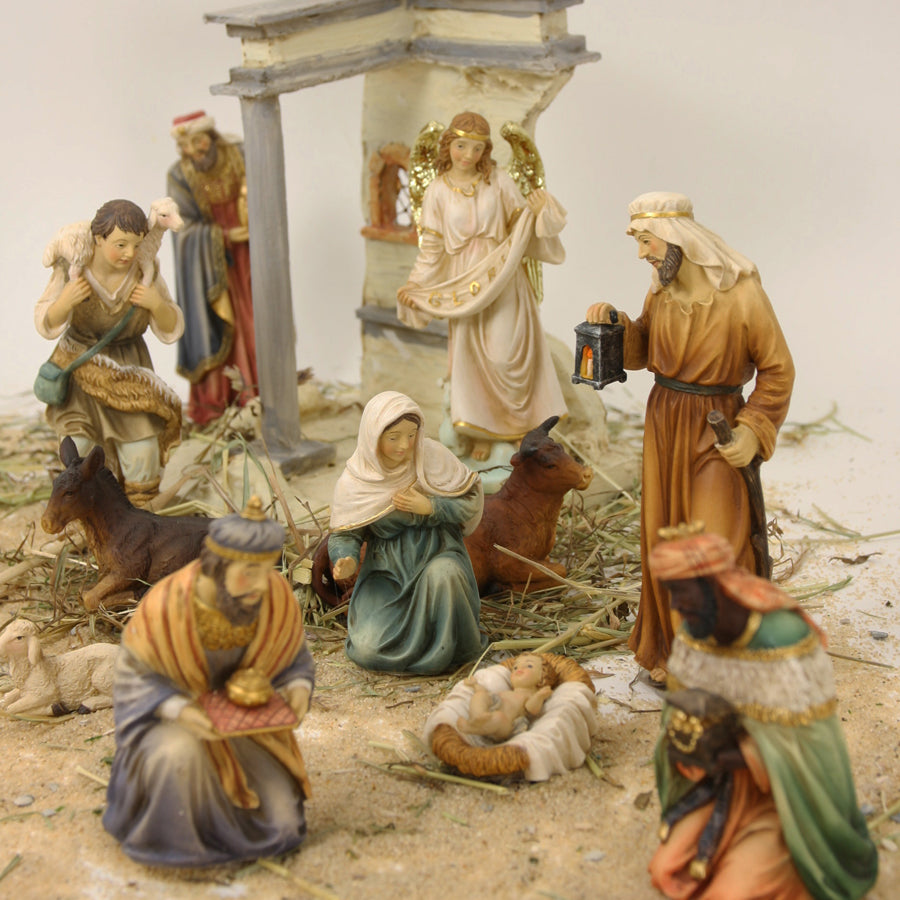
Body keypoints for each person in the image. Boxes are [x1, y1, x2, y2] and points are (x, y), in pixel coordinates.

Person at [585, 192, 794, 683]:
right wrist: (616, 325)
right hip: (665, 423)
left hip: (716, 425)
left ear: (677, 236)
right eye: (638, 242)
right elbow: (643, 350)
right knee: (667, 537)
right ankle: (675, 651)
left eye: (646, 240)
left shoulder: (742, 294)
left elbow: (778, 370)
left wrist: (753, 428)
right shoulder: (661, 292)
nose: (642, 253)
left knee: (714, 538)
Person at [648, 530, 878, 900]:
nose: (676, 606)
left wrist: (740, 755)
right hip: (721, 786)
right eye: (671, 592)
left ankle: (797, 867)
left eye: (682, 593)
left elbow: (812, 747)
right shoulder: (696, 633)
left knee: (726, 895)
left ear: (715, 586)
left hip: (787, 804)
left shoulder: (782, 638)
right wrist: (688, 746)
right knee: (666, 870)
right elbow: (679, 716)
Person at [103, 498, 314, 867]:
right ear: (218, 565)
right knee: (181, 755)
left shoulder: (273, 595)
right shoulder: (166, 605)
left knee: (282, 823)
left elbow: (292, 656)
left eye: (268, 569)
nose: (261, 584)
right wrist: (180, 710)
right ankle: (185, 847)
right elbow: (134, 674)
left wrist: (298, 688)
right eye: (249, 572)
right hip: (172, 720)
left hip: (244, 724)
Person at [397, 111, 567, 463]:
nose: (469, 155)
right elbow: (431, 247)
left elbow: (521, 226)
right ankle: (483, 431)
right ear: (448, 145)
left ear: (486, 150)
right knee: (472, 363)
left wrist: (538, 211)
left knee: (505, 355)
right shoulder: (437, 190)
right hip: (464, 285)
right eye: (461, 146)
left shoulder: (499, 180)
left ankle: (517, 427)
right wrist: (416, 284)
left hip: (503, 277)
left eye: (477, 148)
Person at [35, 199, 184, 505]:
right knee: (78, 449)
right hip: (82, 375)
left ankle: (141, 514)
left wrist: (156, 304)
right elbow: (45, 321)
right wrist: (65, 302)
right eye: (120, 245)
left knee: (142, 453)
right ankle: (82, 513)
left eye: (136, 245)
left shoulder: (145, 271)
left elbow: (170, 328)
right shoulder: (73, 269)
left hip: (129, 378)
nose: (129, 253)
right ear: (99, 239)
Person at [328, 391, 485, 674]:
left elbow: (470, 502)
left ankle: (448, 653)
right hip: (386, 574)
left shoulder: (433, 457)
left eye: (412, 435)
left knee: (445, 575)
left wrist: (432, 507)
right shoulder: (357, 480)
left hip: (436, 555)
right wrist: (345, 558)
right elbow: (345, 534)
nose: (405, 445)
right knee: (366, 648)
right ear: (373, 436)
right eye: (394, 437)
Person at [167, 110, 257, 425]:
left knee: (254, 323)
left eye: (199, 142)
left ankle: (260, 397)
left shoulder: (240, 155)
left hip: (250, 259)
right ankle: (217, 404)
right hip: (210, 268)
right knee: (220, 326)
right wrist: (224, 236)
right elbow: (182, 228)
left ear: (211, 136)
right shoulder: (179, 175)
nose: (193, 151)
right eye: (185, 146)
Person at [457, 652, 553, 742]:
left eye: (529, 666)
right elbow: (486, 694)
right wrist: (475, 685)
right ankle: (478, 716)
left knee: (499, 717)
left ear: (542, 677)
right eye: (515, 667)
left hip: (506, 724)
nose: (519, 668)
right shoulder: (510, 691)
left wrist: (540, 696)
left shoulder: (531, 695)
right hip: (492, 708)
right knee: (481, 694)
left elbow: (532, 709)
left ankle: (473, 728)